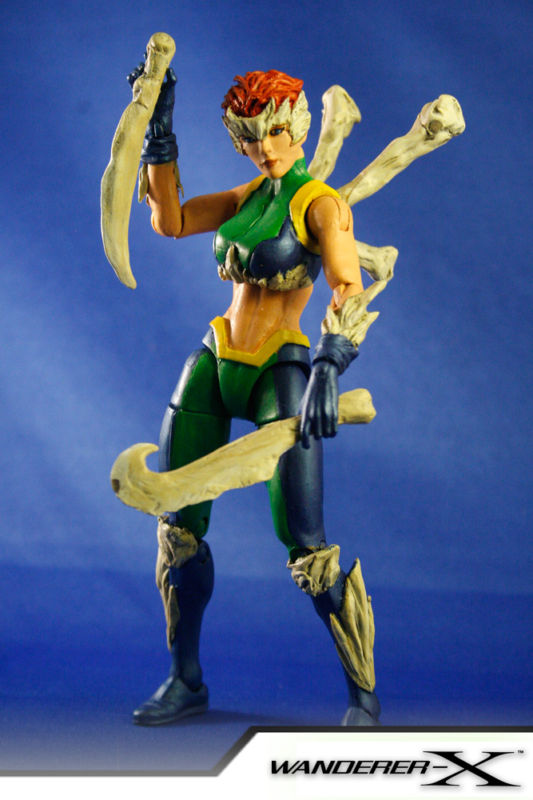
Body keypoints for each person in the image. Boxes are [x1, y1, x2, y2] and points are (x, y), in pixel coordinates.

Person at [129, 65, 380, 726]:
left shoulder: (320, 206)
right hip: (217, 359)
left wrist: (330, 363)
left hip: (279, 369)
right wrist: (159, 133)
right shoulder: (247, 196)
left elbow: (347, 286)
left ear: (297, 124)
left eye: (274, 131)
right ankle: (185, 678)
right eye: (249, 136)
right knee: (179, 527)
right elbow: (171, 220)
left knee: (305, 542)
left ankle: (362, 693)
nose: (264, 147)